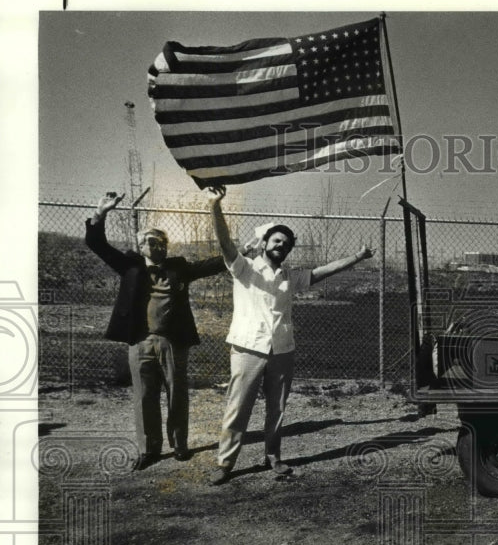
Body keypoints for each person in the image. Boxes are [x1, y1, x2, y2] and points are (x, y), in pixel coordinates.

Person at [206, 185, 374, 485]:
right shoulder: (244, 268)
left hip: (282, 350)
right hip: (247, 348)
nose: (281, 245)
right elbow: (224, 242)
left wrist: (358, 257)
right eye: (277, 240)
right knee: (238, 408)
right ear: (265, 242)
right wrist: (215, 206)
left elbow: (323, 271)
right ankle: (225, 462)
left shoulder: (289, 276)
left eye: (286, 243)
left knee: (277, 409)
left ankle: (273, 457)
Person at [85, 191, 226, 470]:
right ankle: (148, 449)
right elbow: (96, 243)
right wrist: (101, 213)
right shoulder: (129, 266)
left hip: (174, 342)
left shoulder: (179, 268)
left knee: (177, 393)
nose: (157, 246)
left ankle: (179, 445)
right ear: (140, 246)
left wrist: (242, 251)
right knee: (144, 396)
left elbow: (212, 264)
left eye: (161, 242)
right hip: (139, 342)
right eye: (150, 242)